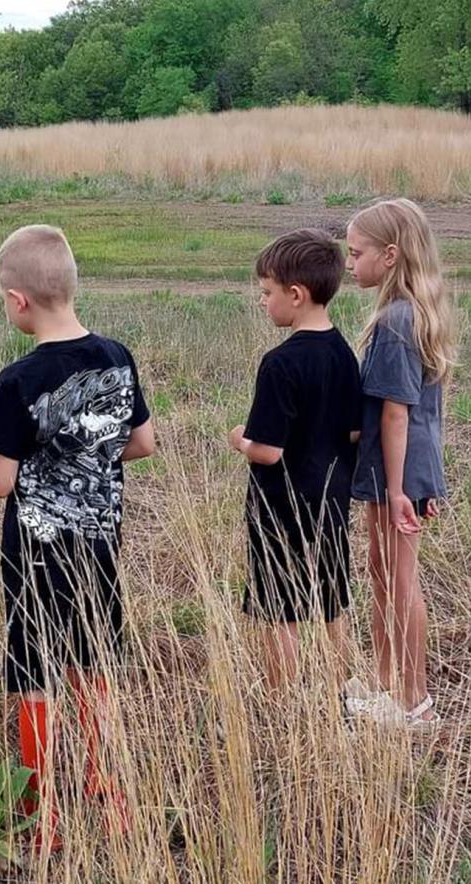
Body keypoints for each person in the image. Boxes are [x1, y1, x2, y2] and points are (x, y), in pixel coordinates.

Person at [0, 225, 155, 850]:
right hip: (101, 542)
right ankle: (106, 783)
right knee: (94, 656)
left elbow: (0, 483)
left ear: (18, 301)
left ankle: (39, 802)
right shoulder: (117, 357)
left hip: (35, 548)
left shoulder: (19, 380)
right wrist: (90, 461)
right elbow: (142, 443)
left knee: (33, 663)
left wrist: (45, 465)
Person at [227, 229, 361, 690]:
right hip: (332, 496)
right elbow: (356, 430)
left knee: (278, 604)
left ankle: (283, 697)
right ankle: (338, 686)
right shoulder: (345, 354)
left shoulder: (280, 363)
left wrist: (240, 440)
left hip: (279, 504)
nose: (263, 302)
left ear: (296, 294)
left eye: (267, 293)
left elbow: (268, 450)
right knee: (331, 596)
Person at [343, 198, 455, 730]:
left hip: (398, 471)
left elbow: (396, 412)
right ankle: (390, 687)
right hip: (407, 466)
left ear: (389, 256)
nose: (349, 263)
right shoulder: (416, 312)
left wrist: (394, 490)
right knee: (383, 573)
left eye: (356, 252)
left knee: (399, 579)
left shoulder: (395, 320)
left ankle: (413, 699)